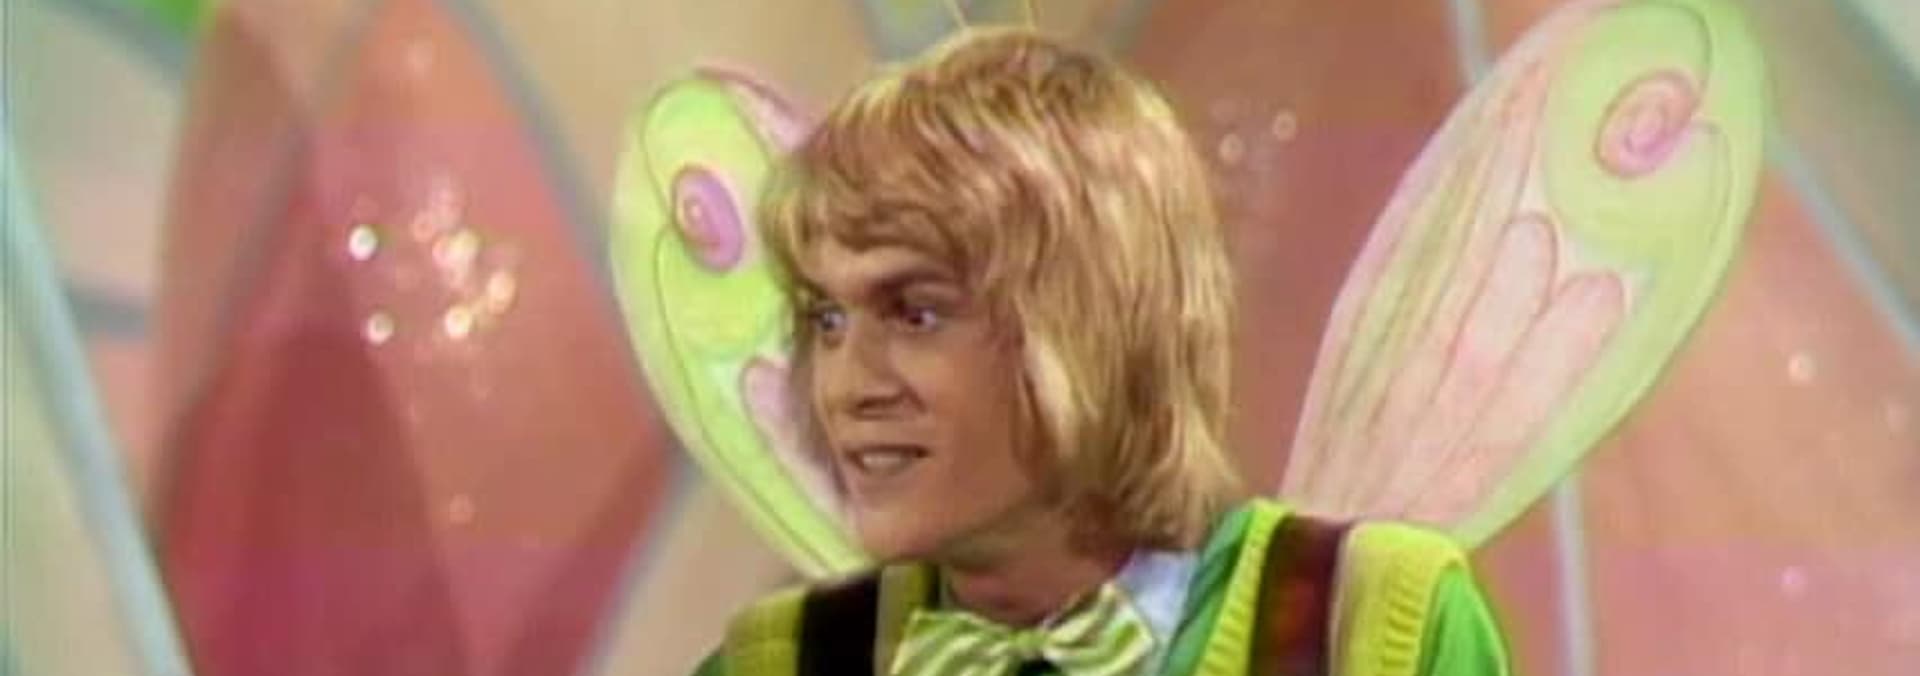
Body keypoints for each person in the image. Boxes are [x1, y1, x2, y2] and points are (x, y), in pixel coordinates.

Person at [692, 27, 1511, 676]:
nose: (845, 386)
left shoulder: (1366, 629)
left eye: (914, 313)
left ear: (1093, 324)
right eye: (827, 320)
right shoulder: (781, 662)